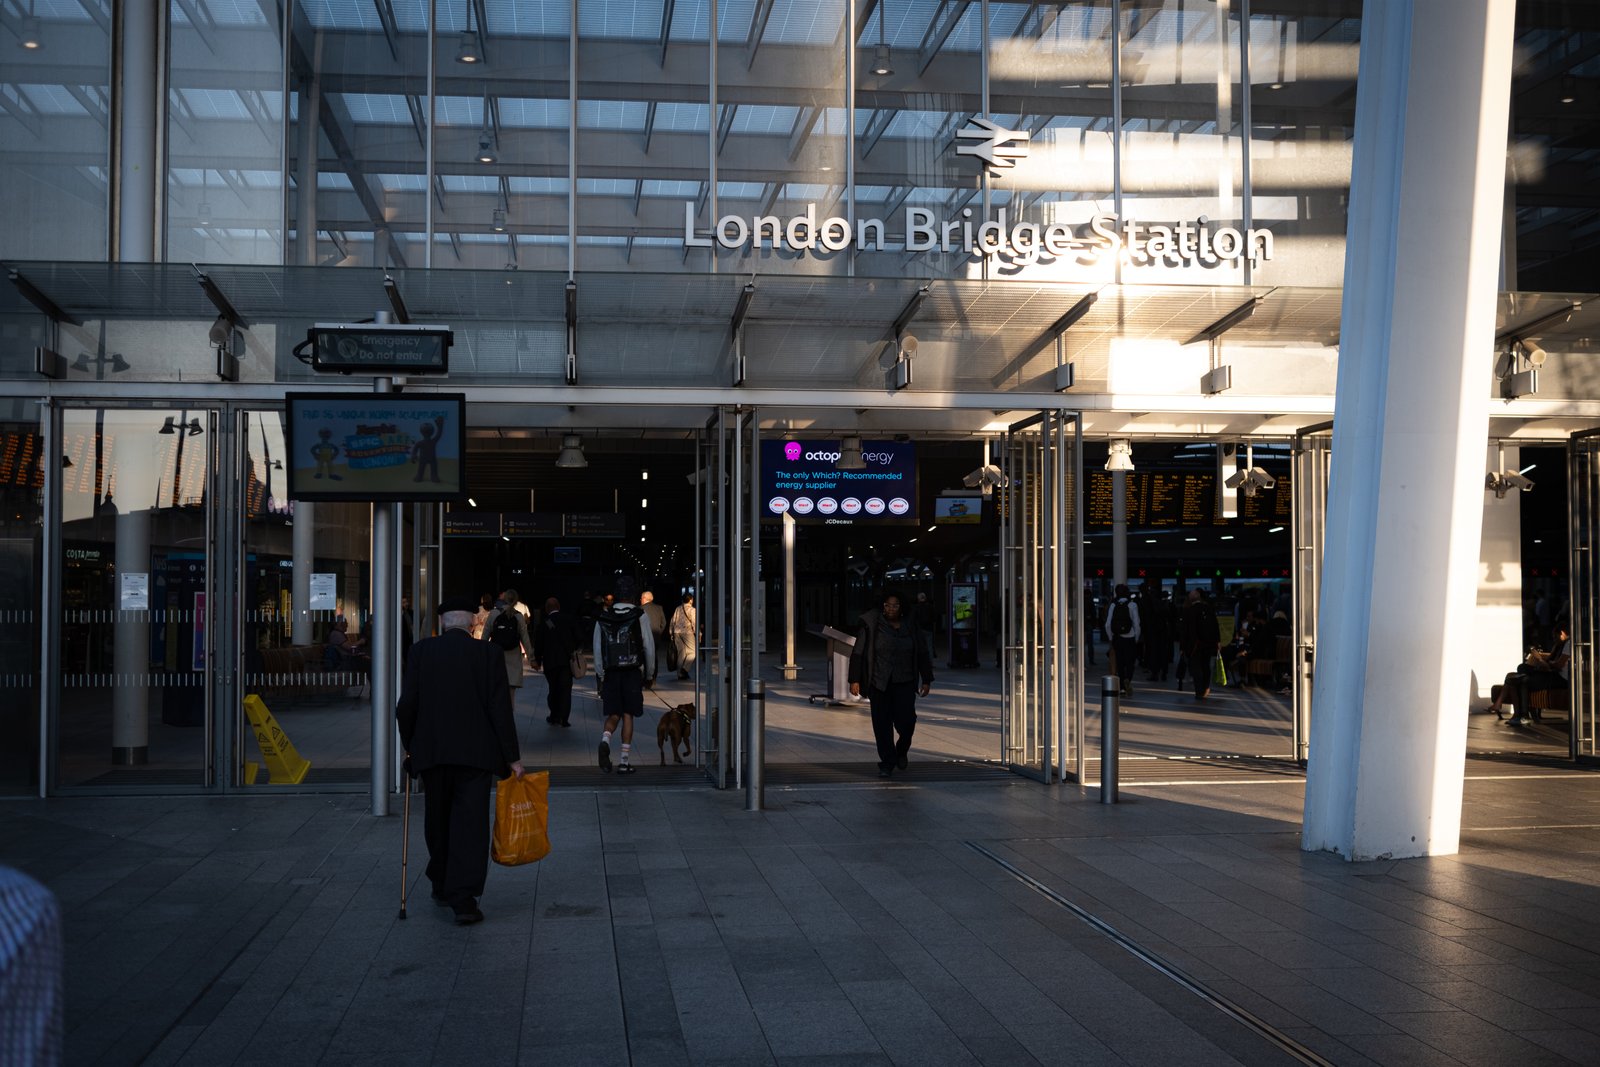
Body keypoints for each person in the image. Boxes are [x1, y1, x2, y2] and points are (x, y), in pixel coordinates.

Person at [395, 596, 524, 926]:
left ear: (441, 624)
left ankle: (440, 882)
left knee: (437, 819)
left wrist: (411, 747)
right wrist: (513, 758)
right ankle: (464, 899)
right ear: (473, 624)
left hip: (433, 754)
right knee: (470, 824)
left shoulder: (422, 651)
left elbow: (406, 705)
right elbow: (500, 710)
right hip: (475, 755)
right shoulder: (488, 654)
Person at [848, 590, 934, 778]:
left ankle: (901, 750)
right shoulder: (872, 625)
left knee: (907, 722)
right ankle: (887, 762)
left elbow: (921, 652)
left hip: (905, 681)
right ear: (882, 606)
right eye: (888, 605)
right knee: (882, 725)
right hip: (879, 683)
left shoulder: (910, 626)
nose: (891, 609)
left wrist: (926, 679)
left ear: (901, 607)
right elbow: (858, 653)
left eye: (895, 605)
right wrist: (854, 679)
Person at [594, 576, 655, 775]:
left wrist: (601, 674)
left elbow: (597, 648)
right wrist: (650, 673)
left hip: (611, 672)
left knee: (614, 713)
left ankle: (605, 740)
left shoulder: (603, 616)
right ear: (634, 595)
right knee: (628, 714)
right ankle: (624, 762)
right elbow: (648, 647)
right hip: (631, 672)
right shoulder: (640, 615)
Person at [1489, 620, 1571, 726]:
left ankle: (1520, 715)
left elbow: (1559, 665)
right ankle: (1519, 716)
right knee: (1520, 670)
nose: (1554, 639)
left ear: (1562, 633)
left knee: (1519, 680)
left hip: (1560, 679)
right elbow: (1550, 662)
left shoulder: (1569, 644)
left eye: (1555, 636)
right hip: (1552, 674)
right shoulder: (1560, 645)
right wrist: (1540, 660)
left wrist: (1541, 661)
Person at [533, 596, 577, 728]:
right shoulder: (568, 620)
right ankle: (564, 718)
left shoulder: (545, 622)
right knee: (565, 690)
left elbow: (539, 643)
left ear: (547, 609)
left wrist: (538, 659)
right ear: (559, 607)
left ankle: (554, 715)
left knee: (553, 689)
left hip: (550, 662)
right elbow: (579, 636)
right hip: (566, 661)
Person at [482, 589, 534, 692]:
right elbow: (525, 639)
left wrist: (481, 655)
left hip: (496, 656)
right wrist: (532, 659)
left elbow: (485, 637)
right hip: (513, 657)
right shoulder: (518, 616)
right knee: (510, 696)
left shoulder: (493, 614)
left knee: (496, 692)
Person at [1180, 589, 1222, 701]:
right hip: (1208, 644)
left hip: (1194, 645)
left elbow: (1185, 631)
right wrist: (1217, 641)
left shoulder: (1189, 611)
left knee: (1196, 668)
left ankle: (1199, 691)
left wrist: (1183, 647)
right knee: (1206, 666)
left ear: (1191, 598)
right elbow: (1215, 625)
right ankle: (1206, 688)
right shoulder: (1208, 609)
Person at [1103, 584, 1141, 698]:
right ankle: (1128, 679)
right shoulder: (1132, 605)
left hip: (1117, 638)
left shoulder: (1113, 605)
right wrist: (1136, 638)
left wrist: (1110, 638)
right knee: (1130, 662)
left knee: (1120, 663)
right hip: (1130, 638)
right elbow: (1136, 624)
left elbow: (1108, 624)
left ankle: (1122, 688)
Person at [639, 590, 667, 687]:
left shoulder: (639, 609)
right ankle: (653, 678)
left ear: (644, 599)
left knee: (643, 657)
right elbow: (664, 623)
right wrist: (659, 632)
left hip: (643, 637)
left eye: (641, 598)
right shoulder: (659, 608)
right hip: (656, 636)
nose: (640, 599)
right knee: (654, 657)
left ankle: (644, 677)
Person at [669, 592, 697, 680]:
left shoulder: (678, 608)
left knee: (681, 653)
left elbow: (673, 620)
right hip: (687, 632)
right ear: (691, 600)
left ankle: (679, 674)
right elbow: (694, 622)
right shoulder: (692, 610)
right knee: (693, 651)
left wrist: (671, 632)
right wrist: (698, 633)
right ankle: (684, 669)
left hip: (677, 632)